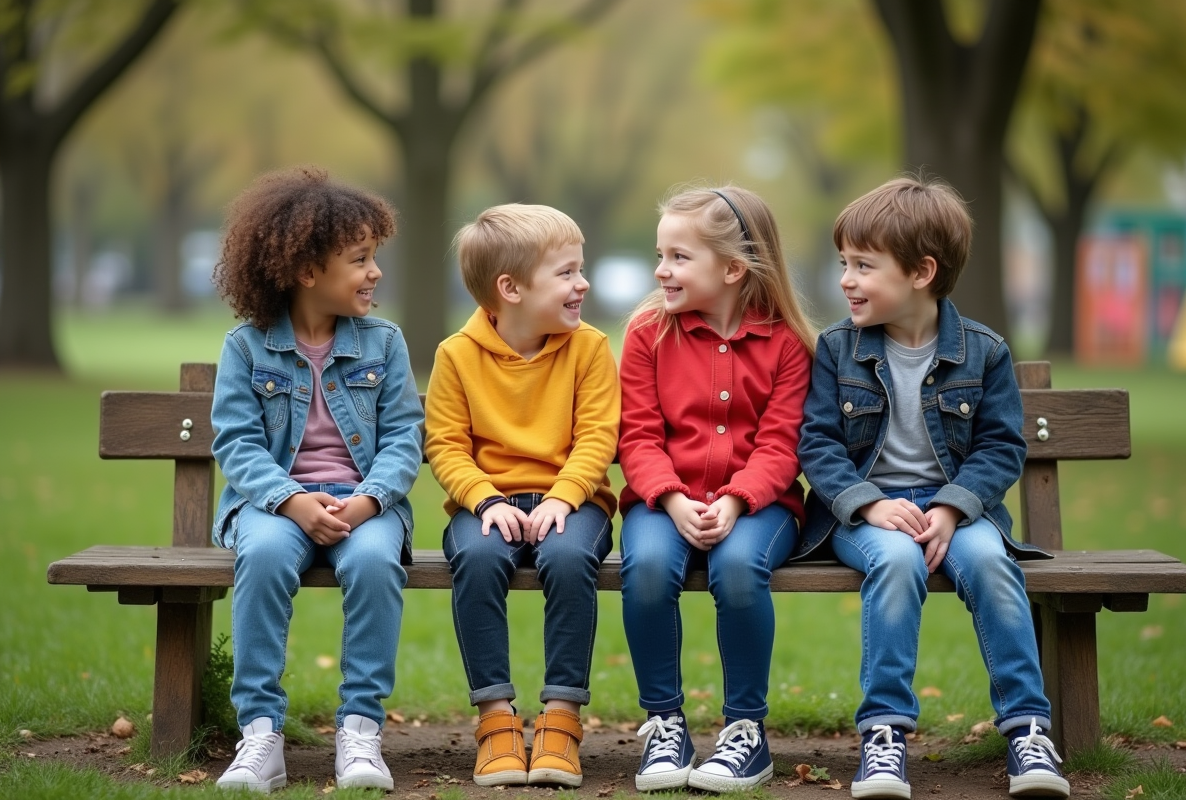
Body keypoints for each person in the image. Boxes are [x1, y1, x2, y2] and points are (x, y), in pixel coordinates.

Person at [798, 175, 1071, 800]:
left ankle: (1028, 729)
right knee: (895, 562)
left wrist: (950, 509)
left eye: (864, 266)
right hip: (866, 514)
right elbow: (817, 444)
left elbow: (1002, 447)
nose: (846, 279)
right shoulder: (838, 349)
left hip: (958, 511)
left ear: (921, 272)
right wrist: (868, 505)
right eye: (845, 263)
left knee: (993, 564)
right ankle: (884, 734)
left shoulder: (984, 352)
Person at [209, 167, 424, 793]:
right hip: (274, 505)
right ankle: (260, 734)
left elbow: (404, 439)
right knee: (268, 556)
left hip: (366, 505)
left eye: (375, 257)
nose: (375, 272)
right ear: (308, 272)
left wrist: (366, 503)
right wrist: (293, 501)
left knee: (376, 563)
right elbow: (238, 444)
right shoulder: (247, 349)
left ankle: (360, 729)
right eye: (360, 260)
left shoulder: (383, 344)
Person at [619, 185, 817, 793]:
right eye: (660, 254)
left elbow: (781, 447)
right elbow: (638, 438)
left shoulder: (785, 345)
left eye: (679, 257)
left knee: (737, 567)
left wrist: (735, 500)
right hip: (663, 500)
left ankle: (745, 732)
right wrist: (674, 500)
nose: (661, 270)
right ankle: (664, 721)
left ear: (732, 268)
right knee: (648, 564)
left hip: (762, 507)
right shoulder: (648, 334)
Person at [425, 204, 619, 788]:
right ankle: (497, 720)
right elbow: (446, 445)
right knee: (478, 559)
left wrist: (563, 497)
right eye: (566, 273)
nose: (582, 283)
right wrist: (485, 500)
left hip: (576, 500)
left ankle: (561, 718)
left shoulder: (589, 348)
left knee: (566, 556)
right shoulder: (456, 355)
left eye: (579, 269)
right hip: (488, 503)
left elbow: (597, 436)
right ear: (510, 288)